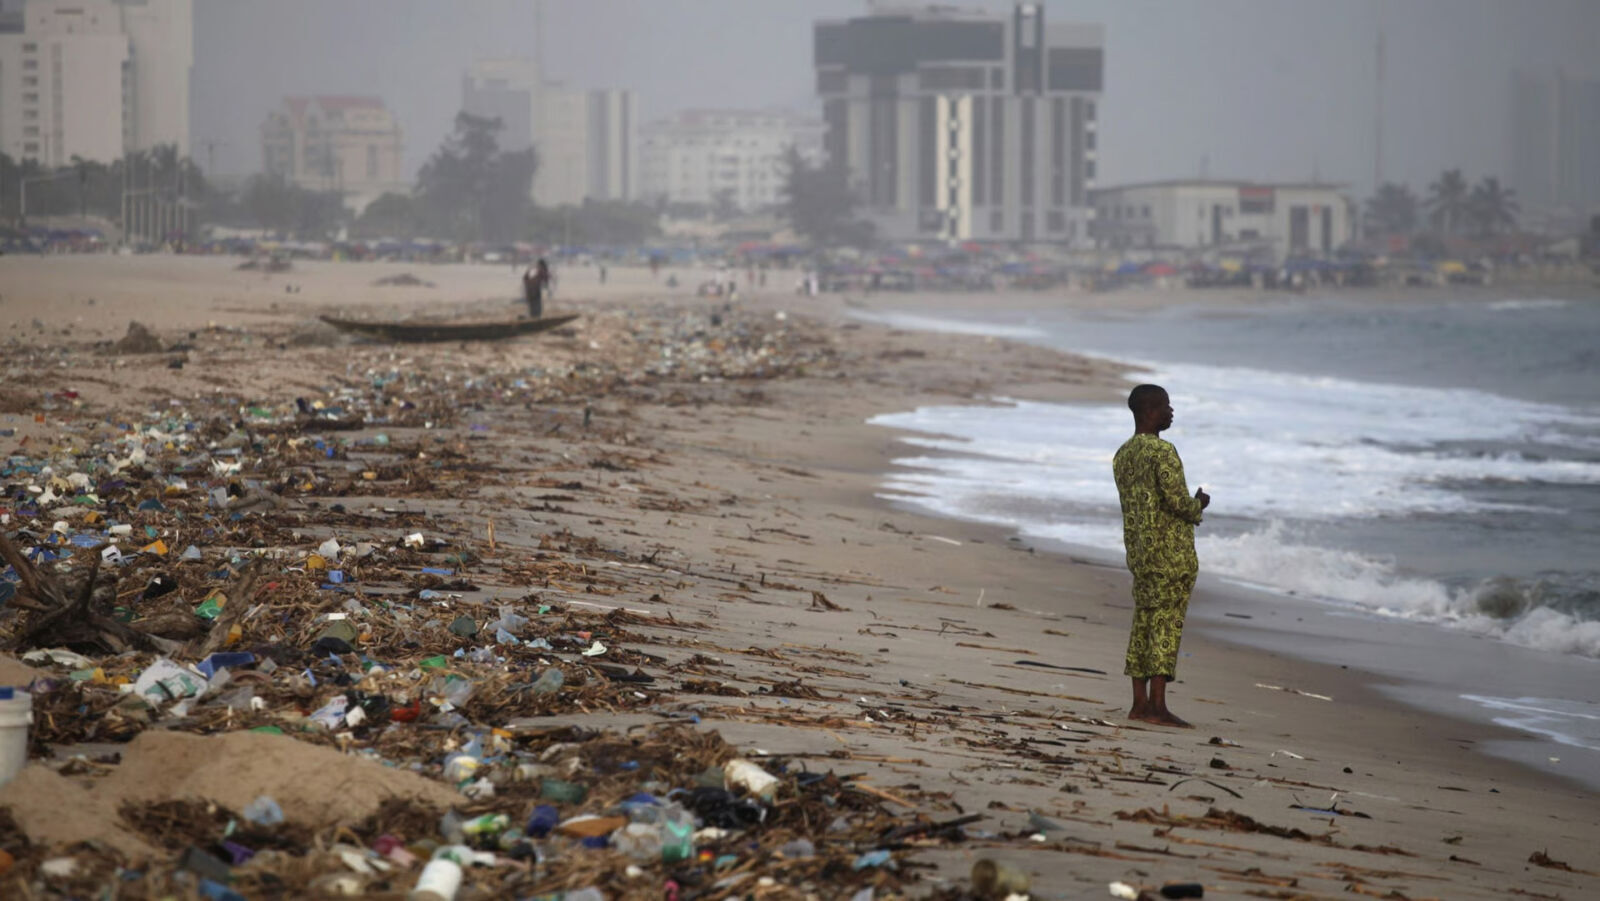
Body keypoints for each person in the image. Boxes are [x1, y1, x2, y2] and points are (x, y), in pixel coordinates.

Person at [1112, 384, 1209, 728]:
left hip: (1140, 552)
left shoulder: (1123, 454)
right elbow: (1178, 502)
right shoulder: (1162, 451)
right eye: (1167, 406)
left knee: (1143, 623)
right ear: (1150, 411)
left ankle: (1139, 704)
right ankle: (1158, 707)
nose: (1171, 412)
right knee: (1165, 626)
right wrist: (1199, 505)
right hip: (1170, 554)